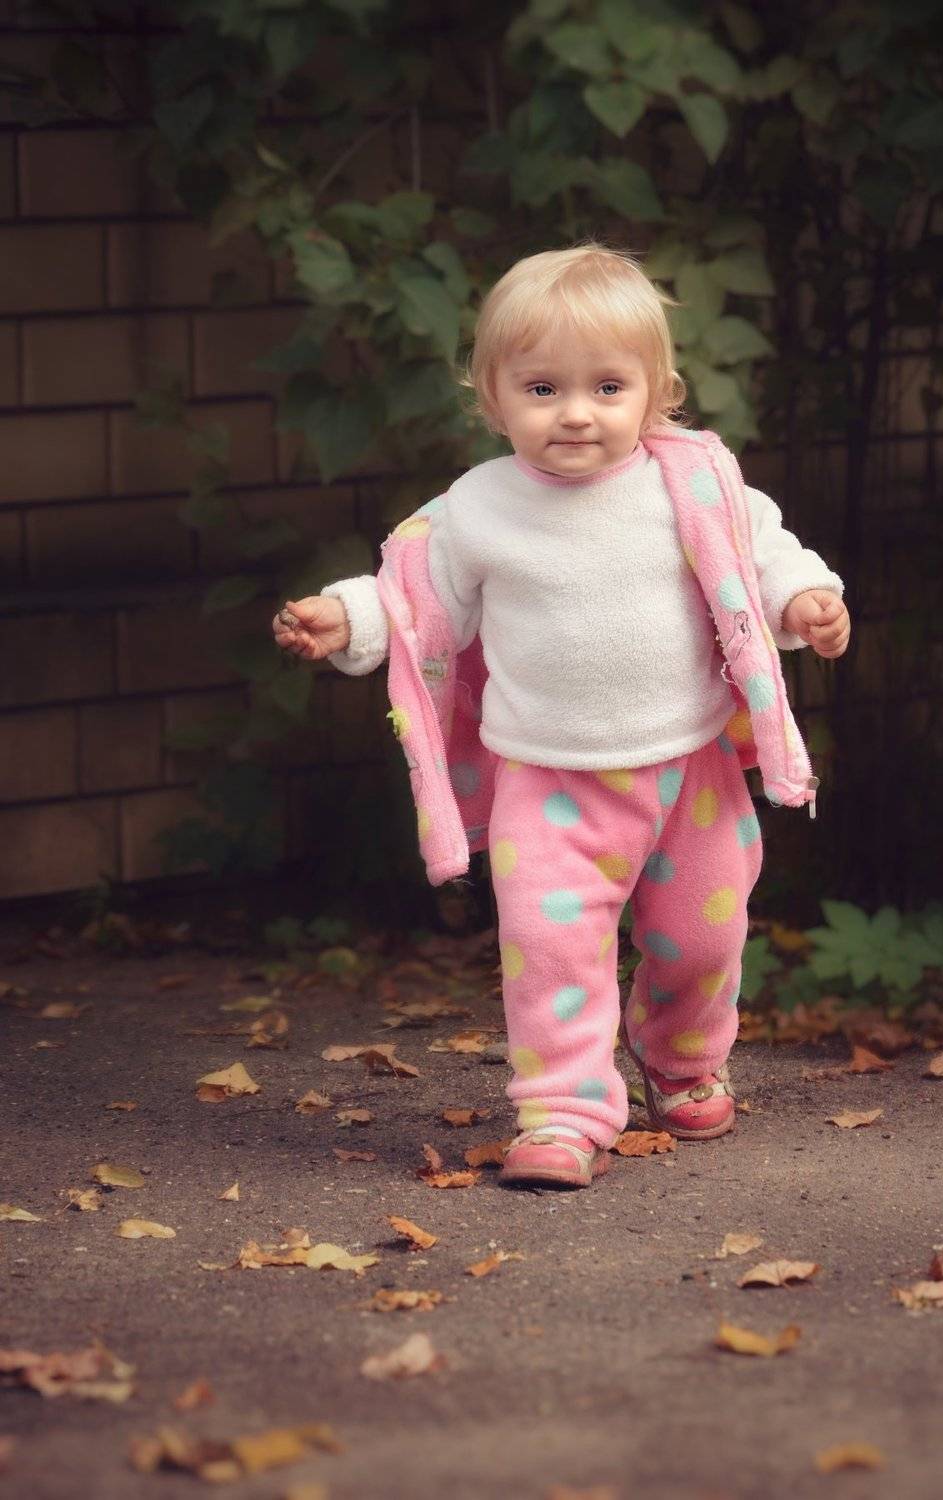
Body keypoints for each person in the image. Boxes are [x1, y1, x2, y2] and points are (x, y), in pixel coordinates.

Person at [272, 243, 850, 1190]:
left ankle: (682, 1063)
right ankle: (563, 1113)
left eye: (607, 387)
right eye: (542, 388)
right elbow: (415, 601)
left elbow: (763, 556)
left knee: (702, 941)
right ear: (492, 399)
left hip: (690, 772)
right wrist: (347, 617)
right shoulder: (476, 510)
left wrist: (805, 601)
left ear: (657, 393)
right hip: (546, 783)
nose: (576, 412)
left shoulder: (693, 484)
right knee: (550, 952)